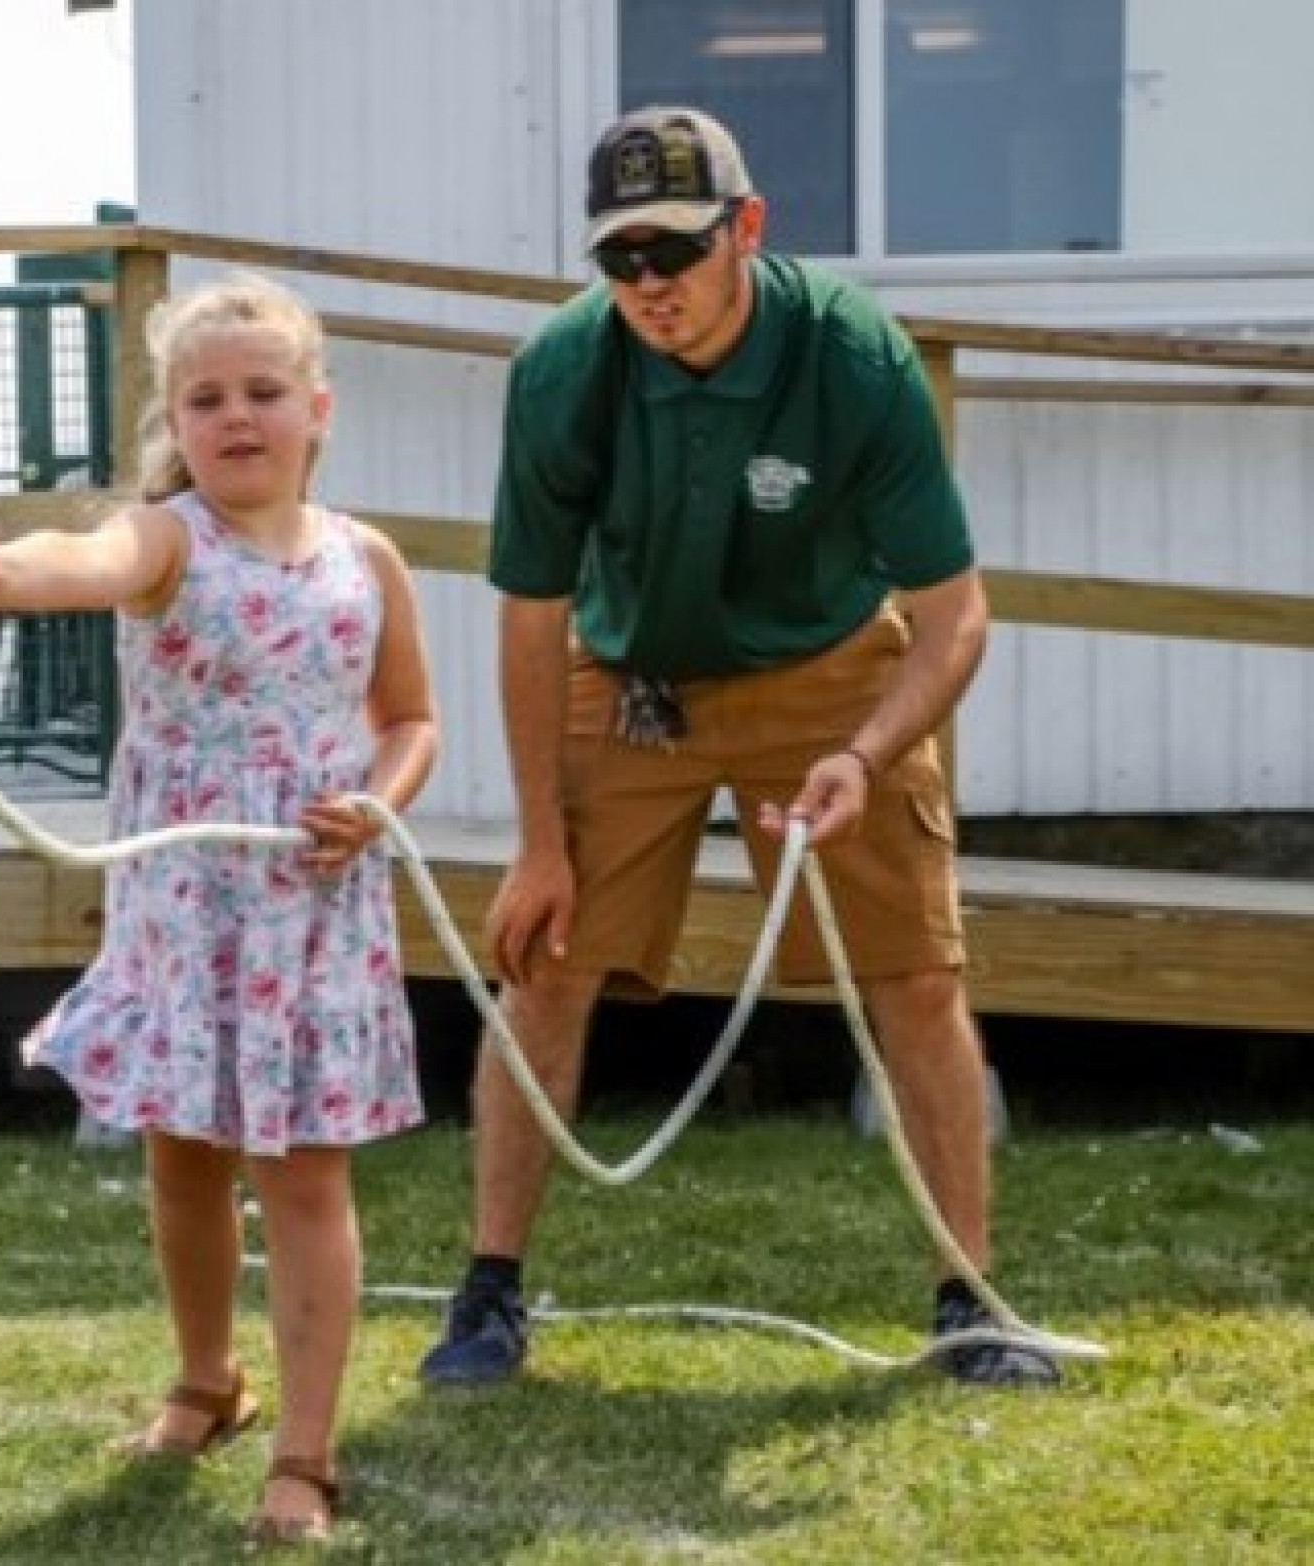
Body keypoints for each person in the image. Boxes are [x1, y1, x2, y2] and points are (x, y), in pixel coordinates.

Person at [416, 106, 1059, 1390]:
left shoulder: (851, 352)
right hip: (631, 673)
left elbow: (951, 613)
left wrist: (865, 754)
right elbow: (531, 619)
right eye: (620, 258)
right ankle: (486, 1295)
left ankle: (971, 1301)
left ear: (745, 228)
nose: (648, 284)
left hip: (826, 670)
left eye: (674, 250)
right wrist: (537, 844)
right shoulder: (561, 369)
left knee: (915, 975)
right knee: (542, 960)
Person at [0, 271, 439, 1543]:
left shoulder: (367, 560)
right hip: (184, 908)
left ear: (316, 407)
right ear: (175, 422)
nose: (235, 416)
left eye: (262, 391)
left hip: (312, 905)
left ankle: (304, 1454)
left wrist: (379, 798)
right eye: (205, 398)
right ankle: (205, 1381)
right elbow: (84, 559)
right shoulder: (170, 539)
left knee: (300, 1172)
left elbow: (410, 717)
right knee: (181, 1155)